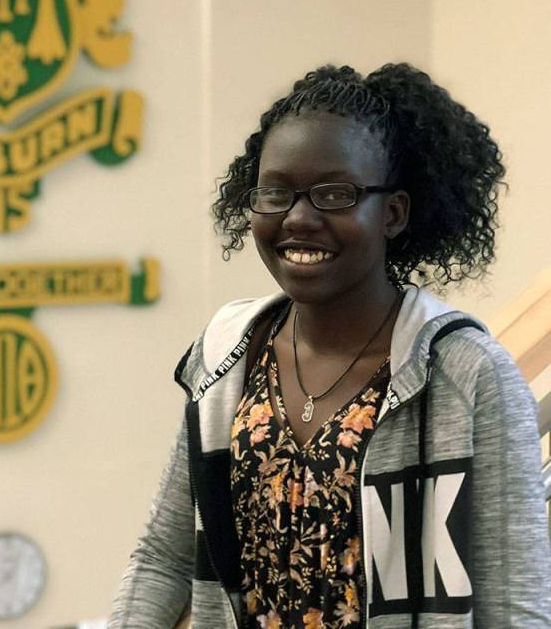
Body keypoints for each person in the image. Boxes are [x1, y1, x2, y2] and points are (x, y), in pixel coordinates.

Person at [108, 64, 551, 629]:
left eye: (335, 194)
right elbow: (162, 560)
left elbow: (516, 606)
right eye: (276, 193)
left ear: (393, 213)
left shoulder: (467, 374)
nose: (298, 218)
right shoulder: (226, 355)